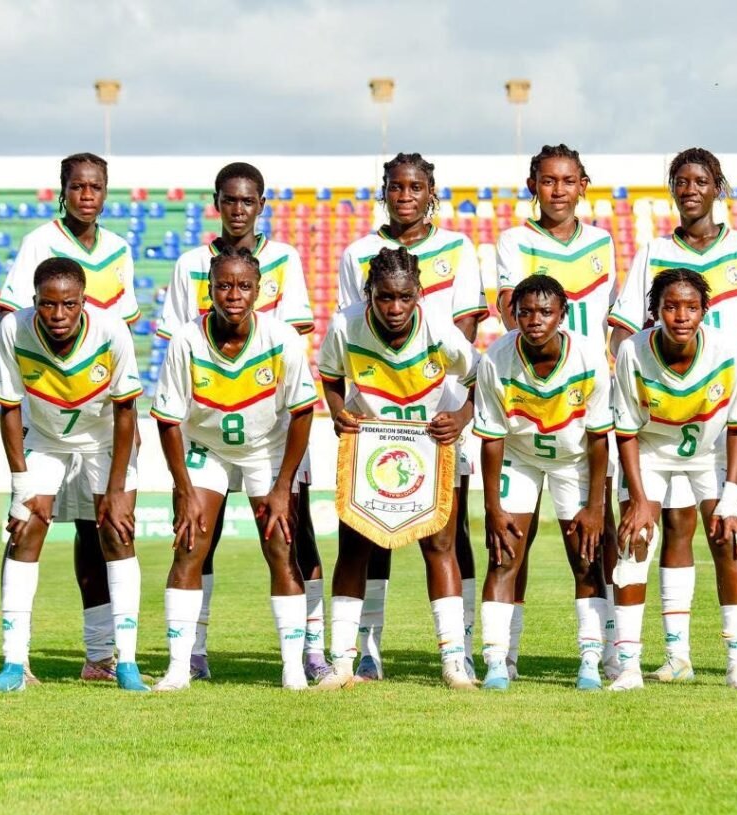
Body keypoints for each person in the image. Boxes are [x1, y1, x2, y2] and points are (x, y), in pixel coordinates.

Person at [608, 148, 737, 683]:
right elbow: (622, 329)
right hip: (665, 418)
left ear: (717, 187)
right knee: (675, 526)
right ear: (672, 189)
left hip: (728, 415)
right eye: (680, 181)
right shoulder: (653, 251)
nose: (690, 189)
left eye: (701, 180)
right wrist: (637, 377)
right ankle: (676, 654)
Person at [156, 162, 328, 682]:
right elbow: (170, 389)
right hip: (204, 434)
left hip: (267, 436)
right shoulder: (190, 273)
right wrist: (181, 485)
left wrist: (282, 482)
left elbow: (300, 393)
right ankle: (185, 661)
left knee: (289, 538)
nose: (237, 209)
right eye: (228, 200)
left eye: (247, 200)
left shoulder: (283, 281)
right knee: (192, 539)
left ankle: (304, 658)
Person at [338, 152, 488, 682]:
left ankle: (460, 647)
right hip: (377, 416)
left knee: (452, 532)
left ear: (431, 192)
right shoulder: (358, 253)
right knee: (370, 531)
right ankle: (366, 650)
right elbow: (352, 335)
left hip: (439, 414)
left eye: (416, 187)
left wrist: (437, 389)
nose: (405, 196)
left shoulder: (459, 248)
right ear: (385, 192)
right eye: (396, 187)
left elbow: (466, 329)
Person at [0, 152, 141, 683]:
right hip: (50, 417)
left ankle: (105, 658)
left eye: (95, 186)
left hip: (101, 418)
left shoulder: (120, 251)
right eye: (77, 186)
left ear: (106, 192)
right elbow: (13, 316)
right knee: (26, 523)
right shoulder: (39, 243)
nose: (86, 195)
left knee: (102, 532)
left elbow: (118, 335)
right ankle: (16, 662)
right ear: (63, 190)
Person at [0, 258, 147, 693]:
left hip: (104, 440)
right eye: (47, 305)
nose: (57, 315)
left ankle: (125, 663)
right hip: (46, 439)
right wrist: (21, 485)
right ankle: (14, 666)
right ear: (34, 302)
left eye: (68, 305)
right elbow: (9, 408)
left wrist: (116, 488)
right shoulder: (15, 330)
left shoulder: (111, 331)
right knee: (26, 528)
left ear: (83, 302)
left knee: (116, 532)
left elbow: (126, 411)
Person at [318, 246, 479, 690]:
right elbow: (330, 375)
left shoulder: (440, 330)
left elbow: (480, 378)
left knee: (440, 546)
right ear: (369, 292)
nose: (395, 307)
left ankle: (453, 662)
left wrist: (461, 419)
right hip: (370, 445)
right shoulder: (345, 324)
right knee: (355, 547)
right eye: (385, 297)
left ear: (419, 294)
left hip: (430, 443)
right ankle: (343, 663)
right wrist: (337, 411)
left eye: (405, 298)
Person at [495, 144, 619, 680]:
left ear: (583, 184)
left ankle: (608, 651)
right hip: (529, 391)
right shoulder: (513, 241)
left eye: (569, 180)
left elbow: (609, 319)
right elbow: (508, 309)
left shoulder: (602, 243)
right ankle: (504, 658)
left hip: (586, 396)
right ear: (533, 185)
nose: (559, 190)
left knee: (594, 541)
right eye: (549, 181)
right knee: (510, 547)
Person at [611, 268, 737, 692]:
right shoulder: (632, 352)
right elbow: (625, 431)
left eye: (691, 307)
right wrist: (638, 500)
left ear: (704, 312)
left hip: (709, 455)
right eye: (670, 306)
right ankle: (630, 667)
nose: (680, 316)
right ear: (655, 311)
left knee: (730, 538)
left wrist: (731, 498)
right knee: (634, 541)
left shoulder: (728, 353)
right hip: (651, 451)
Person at [475, 275, 612, 691]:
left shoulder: (589, 357)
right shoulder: (496, 359)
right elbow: (492, 441)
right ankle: (499, 660)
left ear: (562, 316)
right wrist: (493, 508)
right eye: (526, 312)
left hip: (574, 461)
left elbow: (598, 438)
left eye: (546, 312)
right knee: (504, 556)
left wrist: (595, 506)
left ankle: (591, 658)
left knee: (586, 557)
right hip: (520, 457)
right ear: (513, 315)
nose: (535, 320)